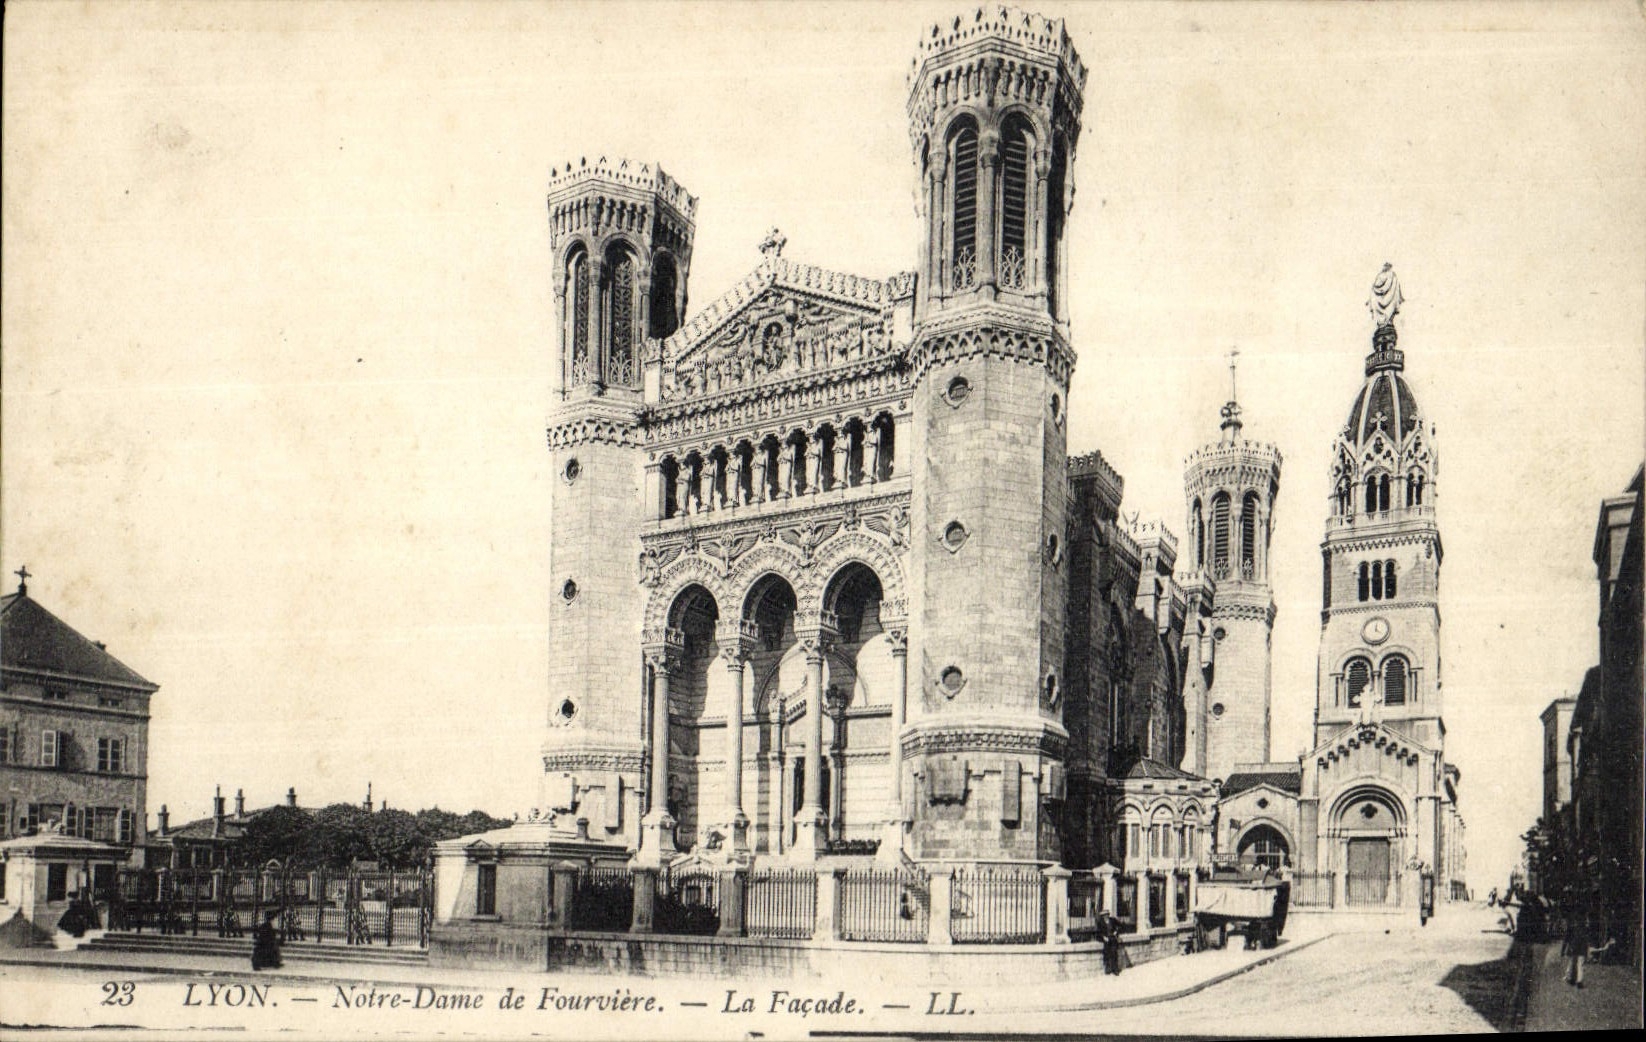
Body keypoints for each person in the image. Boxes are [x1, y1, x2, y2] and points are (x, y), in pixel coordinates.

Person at [1563, 899, 1590, 988]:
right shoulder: (1585, 922)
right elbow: (1587, 933)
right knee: (1580, 962)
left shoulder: (1572, 922)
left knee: (1572, 961)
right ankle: (1579, 980)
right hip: (1582, 943)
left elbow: (1567, 934)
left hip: (1573, 943)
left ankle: (1571, 978)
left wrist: (1564, 948)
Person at [1099, 912, 1123, 976]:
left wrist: (1116, 931)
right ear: (1102, 916)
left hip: (1113, 939)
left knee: (1114, 953)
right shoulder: (1100, 922)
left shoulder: (1112, 920)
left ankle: (1115, 969)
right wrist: (1103, 937)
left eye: (1107, 914)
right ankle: (1108, 969)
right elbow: (1098, 932)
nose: (1106, 916)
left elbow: (1120, 925)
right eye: (1104, 915)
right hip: (1106, 940)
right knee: (1107, 953)